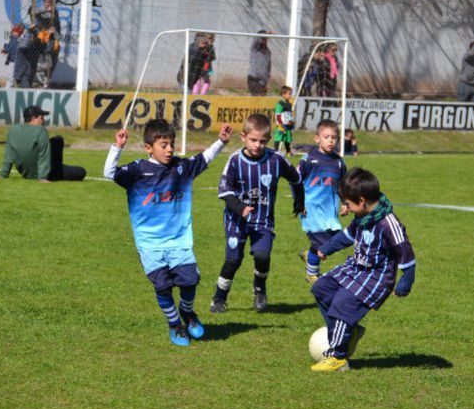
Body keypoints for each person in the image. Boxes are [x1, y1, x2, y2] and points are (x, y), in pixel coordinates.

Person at [104, 119, 233, 346]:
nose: (170, 149)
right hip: (149, 244)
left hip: (179, 241)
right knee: (162, 286)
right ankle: (174, 324)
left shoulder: (180, 168)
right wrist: (118, 147)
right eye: (163, 145)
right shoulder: (137, 170)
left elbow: (204, 158)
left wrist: (221, 141)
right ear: (148, 148)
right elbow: (109, 173)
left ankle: (187, 311)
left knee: (190, 281)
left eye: (171, 144)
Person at [310, 168, 416, 372]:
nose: (347, 209)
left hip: (377, 276)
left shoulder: (388, 222)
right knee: (321, 288)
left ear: (361, 200)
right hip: (356, 267)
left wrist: (405, 282)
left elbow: (406, 253)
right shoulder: (362, 216)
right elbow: (346, 236)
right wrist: (325, 249)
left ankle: (338, 358)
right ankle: (349, 329)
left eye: (348, 204)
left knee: (343, 304)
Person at [211, 114, 304, 313]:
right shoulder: (235, 160)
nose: (257, 145)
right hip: (236, 220)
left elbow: (296, 179)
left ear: (268, 140)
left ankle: (259, 289)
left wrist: (299, 201)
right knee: (233, 261)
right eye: (253, 140)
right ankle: (219, 298)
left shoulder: (276, 160)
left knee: (262, 255)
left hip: (263, 221)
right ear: (243, 137)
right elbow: (224, 191)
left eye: (262, 141)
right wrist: (241, 208)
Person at [297, 120, 348, 284]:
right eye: (326, 137)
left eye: (334, 137)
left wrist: (346, 202)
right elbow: (295, 181)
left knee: (335, 238)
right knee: (323, 245)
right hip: (310, 209)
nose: (330, 141)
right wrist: (299, 202)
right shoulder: (308, 159)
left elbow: (343, 184)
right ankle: (312, 274)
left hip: (329, 211)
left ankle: (310, 255)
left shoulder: (339, 162)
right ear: (317, 139)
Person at [0, 105, 86, 182]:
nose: (43, 120)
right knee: (81, 171)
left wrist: (2, 175)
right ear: (33, 118)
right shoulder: (40, 130)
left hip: (25, 174)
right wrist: (43, 178)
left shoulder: (13, 130)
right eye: (41, 117)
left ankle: (55, 168)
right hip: (46, 173)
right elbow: (44, 155)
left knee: (54, 141)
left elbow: (9, 156)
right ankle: (57, 168)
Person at [33, 0, 61, 88]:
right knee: (40, 61)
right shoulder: (40, 9)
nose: (48, 3)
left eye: (49, 1)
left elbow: (57, 25)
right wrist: (45, 10)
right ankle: (37, 78)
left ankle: (46, 82)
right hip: (41, 39)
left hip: (51, 39)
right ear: (44, 1)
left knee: (51, 63)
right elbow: (35, 13)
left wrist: (55, 32)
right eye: (46, 1)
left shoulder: (55, 12)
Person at [12, 24, 41, 89]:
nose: (33, 37)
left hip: (30, 73)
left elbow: (46, 50)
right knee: (26, 93)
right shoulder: (21, 43)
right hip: (22, 74)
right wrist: (29, 31)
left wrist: (51, 37)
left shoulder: (35, 46)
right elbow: (25, 45)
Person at [247, 30, 273, 95]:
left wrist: (266, 82)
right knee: (257, 98)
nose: (265, 40)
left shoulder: (268, 52)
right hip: (254, 78)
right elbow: (256, 39)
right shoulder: (255, 48)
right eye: (263, 39)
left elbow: (268, 67)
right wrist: (266, 33)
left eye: (266, 39)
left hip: (262, 80)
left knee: (262, 99)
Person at [273, 85, 296, 156]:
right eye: (289, 94)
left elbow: (289, 114)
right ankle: (276, 151)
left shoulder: (289, 104)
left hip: (288, 124)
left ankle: (288, 151)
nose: (290, 95)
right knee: (279, 137)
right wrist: (279, 124)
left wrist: (291, 120)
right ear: (283, 94)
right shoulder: (280, 104)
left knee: (287, 139)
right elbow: (278, 114)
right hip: (281, 124)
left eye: (290, 94)